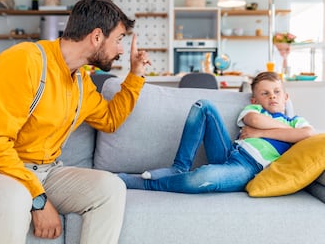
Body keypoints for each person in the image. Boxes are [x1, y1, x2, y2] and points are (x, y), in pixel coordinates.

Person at [0, 0, 151, 244]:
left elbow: (110, 120)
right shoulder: (24, 61)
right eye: (118, 40)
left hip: (47, 172)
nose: (120, 50)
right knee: (15, 199)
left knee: (111, 188)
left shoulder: (81, 80)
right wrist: (37, 199)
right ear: (96, 37)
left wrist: (135, 75)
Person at [118, 71, 315, 193]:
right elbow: (254, 121)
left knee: (204, 176)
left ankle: (144, 184)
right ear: (255, 100)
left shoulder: (296, 120)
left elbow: (307, 134)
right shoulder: (255, 111)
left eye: (277, 92)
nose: (272, 96)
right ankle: (179, 166)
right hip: (229, 151)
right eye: (265, 93)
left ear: (286, 96)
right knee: (203, 105)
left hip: (249, 168)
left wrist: (261, 133)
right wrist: (285, 131)